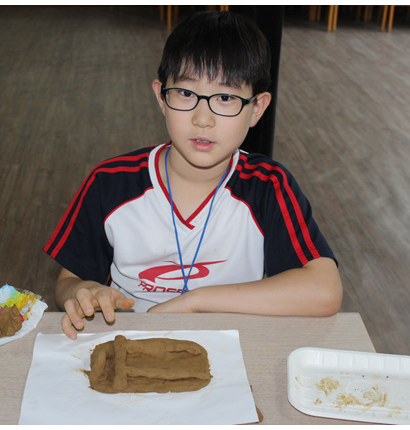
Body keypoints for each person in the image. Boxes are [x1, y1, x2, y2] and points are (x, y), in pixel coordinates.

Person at [44, 10, 343, 339]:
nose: (203, 119)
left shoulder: (268, 186)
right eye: (186, 94)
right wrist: (84, 292)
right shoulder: (110, 182)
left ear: (256, 108)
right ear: (161, 97)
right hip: (128, 343)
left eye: (226, 98)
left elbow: (324, 290)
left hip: (229, 350)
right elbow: (68, 283)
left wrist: (195, 302)